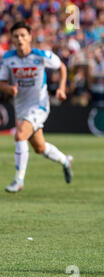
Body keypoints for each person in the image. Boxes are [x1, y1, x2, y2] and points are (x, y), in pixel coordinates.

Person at [0, 22, 73, 193]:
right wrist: (9, 89)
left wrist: (62, 88)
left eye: (23, 35)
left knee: (19, 136)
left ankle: (18, 180)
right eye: (16, 36)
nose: (20, 39)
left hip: (39, 105)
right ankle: (65, 161)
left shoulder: (41, 55)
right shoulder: (8, 59)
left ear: (29, 37)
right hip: (21, 107)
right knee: (40, 148)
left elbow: (61, 66)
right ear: (12, 39)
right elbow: (1, 82)